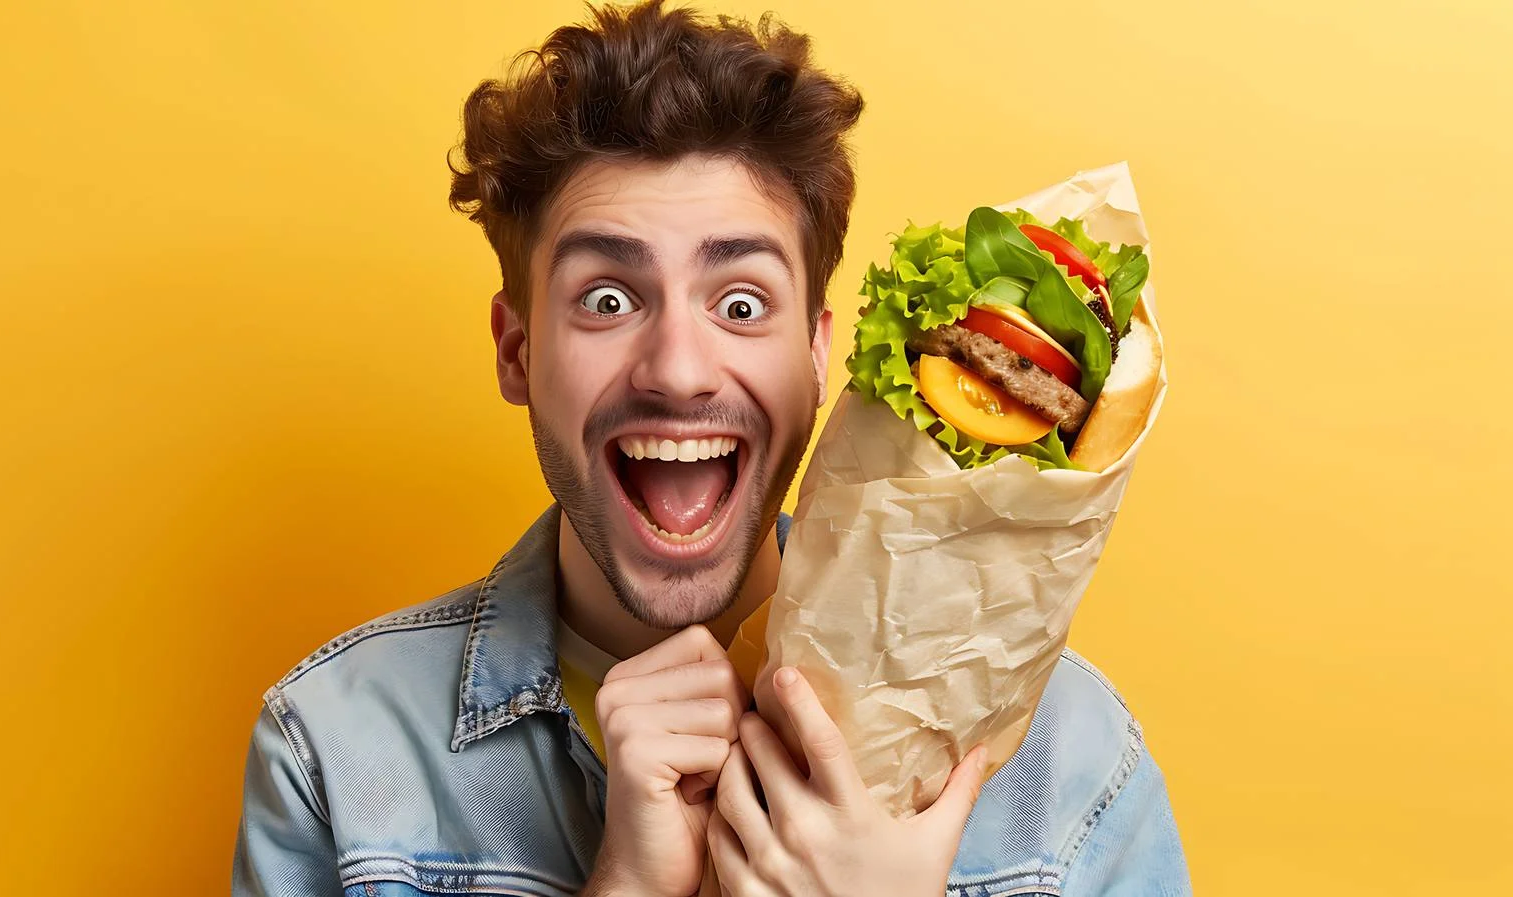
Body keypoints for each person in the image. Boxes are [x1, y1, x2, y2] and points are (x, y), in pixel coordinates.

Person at [231, 3, 1191, 895]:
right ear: (518, 350)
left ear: (819, 356)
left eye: (740, 304)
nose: (680, 369)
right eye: (608, 299)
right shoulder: (336, 753)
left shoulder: (1070, 767)